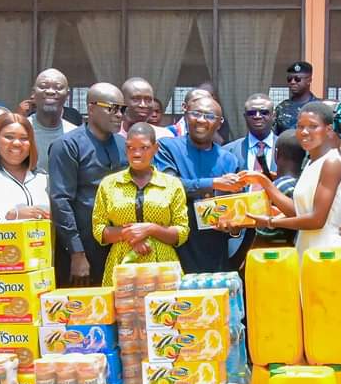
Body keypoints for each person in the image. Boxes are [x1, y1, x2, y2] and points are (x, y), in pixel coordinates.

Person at [242, 102, 341, 257]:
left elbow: (317, 220)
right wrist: (265, 183)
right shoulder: (311, 163)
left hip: (326, 254)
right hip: (306, 250)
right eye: (300, 126)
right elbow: (299, 212)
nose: (305, 132)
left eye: (313, 126)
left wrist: (271, 222)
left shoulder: (331, 163)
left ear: (328, 130)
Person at [49, 83, 129, 287]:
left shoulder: (123, 145)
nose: (119, 114)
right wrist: (77, 253)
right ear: (91, 108)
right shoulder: (67, 145)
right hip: (83, 249)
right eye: (112, 108)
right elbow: (61, 201)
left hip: (120, 247)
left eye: (122, 109)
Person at [92, 123, 189, 285]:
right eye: (131, 148)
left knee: (163, 309)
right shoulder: (109, 184)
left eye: (144, 148)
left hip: (162, 265)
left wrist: (151, 229)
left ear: (155, 149)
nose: (136, 153)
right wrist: (131, 235)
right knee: (123, 309)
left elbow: (182, 231)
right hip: (122, 264)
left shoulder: (171, 184)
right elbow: (99, 229)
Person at [155, 96, 242, 273]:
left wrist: (234, 228)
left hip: (215, 251)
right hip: (175, 246)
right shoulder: (167, 147)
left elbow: (236, 208)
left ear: (219, 123)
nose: (201, 120)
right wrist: (213, 183)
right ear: (186, 115)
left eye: (209, 116)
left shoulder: (229, 160)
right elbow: (168, 186)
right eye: (196, 114)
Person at [253, 129, 302, 247]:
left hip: (274, 259)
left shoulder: (278, 187)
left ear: (276, 154)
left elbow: (263, 235)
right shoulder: (304, 185)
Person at [26, 69, 77, 174]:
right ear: (33, 93)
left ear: (67, 95)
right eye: (43, 86)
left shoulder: (76, 135)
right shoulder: (21, 131)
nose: (50, 92)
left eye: (58, 88)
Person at [224, 94, 276, 178]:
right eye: (251, 113)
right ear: (245, 117)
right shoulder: (228, 151)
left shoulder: (286, 149)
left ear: (273, 116)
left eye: (264, 112)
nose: (257, 116)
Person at [273, 61, 320, 134]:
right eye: (289, 79)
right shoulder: (281, 108)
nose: (292, 82)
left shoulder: (319, 107)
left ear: (309, 80)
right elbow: (274, 137)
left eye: (297, 79)